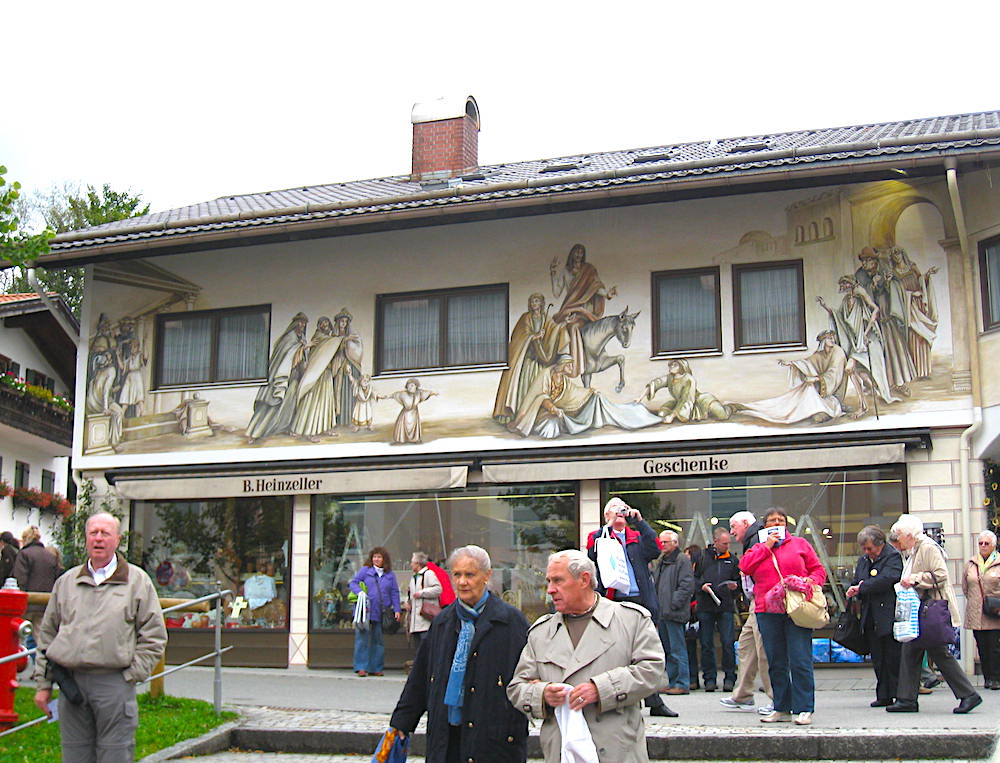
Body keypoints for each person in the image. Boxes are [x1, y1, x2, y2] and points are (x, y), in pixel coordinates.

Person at [508, 549, 666, 762]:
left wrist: (601, 690)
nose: (550, 590)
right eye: (549, 581)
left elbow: (653, 671)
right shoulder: (541, 632)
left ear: (583, 580)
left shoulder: (631, 620)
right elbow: (517, 687)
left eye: (558, 581)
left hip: (617, 752)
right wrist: (543, 694)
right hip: (562, 752)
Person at [33, 512, 167, 761]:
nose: (98, 539)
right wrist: (44, 685)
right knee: (74, 756)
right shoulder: (66, 583)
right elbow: (47, 634)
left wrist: (132, 675)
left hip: (114, 684)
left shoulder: (137, 582)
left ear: (117, 540)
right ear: (86, 538)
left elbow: (154, 635)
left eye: (105, 533)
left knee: (115, 755)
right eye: (93, 533)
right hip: (71, 685)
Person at [390, 545, 528, 763]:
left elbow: (526, 678)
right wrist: (402, 722)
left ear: (487, 576)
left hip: (494, 738)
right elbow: (421, 676)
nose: (462, 582)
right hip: (447, 734)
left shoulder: (511, 621)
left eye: (470, 575)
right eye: (457, 574)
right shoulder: (443, 622)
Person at [585, 497, 675, 717]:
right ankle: (616, 696)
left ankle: (654, 701)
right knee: (615, 651)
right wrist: (608, 528)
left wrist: (640, 522)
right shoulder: (599, 536)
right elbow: (592, 556)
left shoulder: (636, 536)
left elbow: (654, 550)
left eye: (622, 510)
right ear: (606, 515)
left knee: (645, 651)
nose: (620, 514)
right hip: (614, 600)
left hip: (640, 598)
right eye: (615, 510)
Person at [886, 514, 982, 714]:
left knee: (938, 652)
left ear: (909, 534)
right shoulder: (916, 549)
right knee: (911, 649)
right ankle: (907, 698)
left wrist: (915, 579)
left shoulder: (927, 548)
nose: (898, 539)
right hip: (922, 610)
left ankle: (968, 695)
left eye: (900, 535)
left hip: (929, 608)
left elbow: (941, 575)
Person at [739, 508, 825, 725]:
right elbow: (745, 567)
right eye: (771, 521)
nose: (776, 523)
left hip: (796, 608)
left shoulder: (800, 545)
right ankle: (781, 706)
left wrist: (809, 584)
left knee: (800, 658)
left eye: (781, 520)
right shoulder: (757, 548)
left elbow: (818, 570)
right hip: (767, 610)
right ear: (764, 526)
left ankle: (804, 707)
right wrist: (766, 547)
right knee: (775, 661)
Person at [509, 354, 662, 439]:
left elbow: (573, 391)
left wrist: (589, 392)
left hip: (558, 411)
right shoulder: (546, 375)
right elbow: (541, 397)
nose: (571, 368)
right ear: (562, 365)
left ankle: (619, 416)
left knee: (596, 398)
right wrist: (553, 409)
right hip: (540, 414)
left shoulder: (563, 379)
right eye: (569, 365)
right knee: (551, 429)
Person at [733, 330, 849, 424]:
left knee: (812, 399)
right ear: (823, 341)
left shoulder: (838, 353)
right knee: (799, 394)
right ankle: (751, 408)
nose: (832, 340)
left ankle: (817, 412)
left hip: (831, 395)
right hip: (820, 392)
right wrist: (792, 364)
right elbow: (807, 363)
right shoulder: (819, 354)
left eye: (833, 337)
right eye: (829, 338)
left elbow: (834, 374)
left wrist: (815, 379)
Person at [721, 511, 773, 714]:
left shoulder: (758, 538)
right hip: (756, 600)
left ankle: (777, 698)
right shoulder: (755, 538)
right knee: (747, 646)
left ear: (745, 523)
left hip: (762, 599)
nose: (732, 532)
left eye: (734, 527)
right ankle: (742, 694)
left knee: (763, 651)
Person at [845, 525, 902, 706]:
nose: (868, 552)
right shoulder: (864, 560)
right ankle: (883, 694)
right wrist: (855, 589)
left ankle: (898, 693)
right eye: (865, 549)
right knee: (877, 657)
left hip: (887, 613)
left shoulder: (892, 557)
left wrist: (863, 586)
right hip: (869, 614)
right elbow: (858, 579)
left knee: (892, 656)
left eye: (870, 548)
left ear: (880, 544)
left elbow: (887, 579)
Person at [493, 292, 563, 424]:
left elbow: (554, 329)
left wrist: (562, 325)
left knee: (539, 387)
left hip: (540, 358)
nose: (534, 304)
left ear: (541, 303)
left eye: (537, 301)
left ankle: (537, 414)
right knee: (525, 386)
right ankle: (522, 414)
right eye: (532, 301)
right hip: (528, 359)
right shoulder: (526, 318)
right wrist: (533, 336)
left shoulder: (546, 318)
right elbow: (520, 336)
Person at [246, 311, 308, 443]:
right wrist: (302, 348)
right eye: (300, 322)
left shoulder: (301, 338)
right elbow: (286, 355)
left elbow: (302, 358)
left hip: (293, 378)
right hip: (281, 377)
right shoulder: (289, 338)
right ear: (295, 323)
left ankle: (284, 427)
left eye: (304, 323)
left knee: (290, 403)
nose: (302, 325)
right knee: (271, 406)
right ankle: (255, 433)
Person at [695, 527, 740, 693]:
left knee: (728, 643)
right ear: (715, 542)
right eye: (724, 543)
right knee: (706, 643)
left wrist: (735, 587)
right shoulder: (701, 557)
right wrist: (701, 586)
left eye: (729, 543)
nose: (727, 546)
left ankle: (729, 677)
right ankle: (709, 679)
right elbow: (692, 579)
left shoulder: (733, 561)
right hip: (706, 605)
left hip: (726, 605)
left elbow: (739, 582)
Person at [653, 530, 694, 695]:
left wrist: (673, 604)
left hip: (674, 612)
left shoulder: (681, 560)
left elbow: (686, 585)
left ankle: (682, 683)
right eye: (661, 542)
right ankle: (672, 681)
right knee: (667, 650)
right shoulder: (662, 561)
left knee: (678, 649)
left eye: (665, 542)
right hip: (663, 612)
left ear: (675, 543)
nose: (662, 545)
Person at [349, 547, 401, 677]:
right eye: (374, 557)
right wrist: (360, 592)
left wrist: (397, 609)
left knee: (378, 640)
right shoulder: (365, 571)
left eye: (379, 557)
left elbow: (394, 592)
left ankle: (376, 667)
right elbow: (353, 583)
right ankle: (361, 667)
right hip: (365, 611)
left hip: (381, 612)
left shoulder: (390, 575)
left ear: (384, 560)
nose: (376, 559)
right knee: (362, 639)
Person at [962, 530, 1000, 690]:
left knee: (995, 647)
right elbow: (966, 587)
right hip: (976, 612)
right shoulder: (971, 564)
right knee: (982, 646)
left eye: (987, 543)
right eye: (980, 543)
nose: (983, 546)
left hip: (994, 611)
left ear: (994, 545)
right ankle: (987, 677)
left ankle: (996, 678)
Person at [639, 359, 731, 423]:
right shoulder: (670, 377)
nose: (671, 367)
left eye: (675, 365)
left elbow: (686, 399)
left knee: (722, 415)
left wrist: (671, 416)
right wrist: (640, 397)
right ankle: (676, 413)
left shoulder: (689, 379)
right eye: (671, 365)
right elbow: (656, 383)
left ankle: (731, 407)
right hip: (679, 402)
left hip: (699, 401)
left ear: (682, 366)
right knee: (662, 413)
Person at [405, 551, 442, 652]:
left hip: (426, 618)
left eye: (412, 562)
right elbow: (411, 594)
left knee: (426, 646)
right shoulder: (414, 577)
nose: (411, 564)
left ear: (418, 563)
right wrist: (408, 602)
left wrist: (422, 593)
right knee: (418, 648)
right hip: (415, 621)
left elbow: (438, 589)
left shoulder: (428, 574)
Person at [389, 378, 438, 443]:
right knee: (404, 426)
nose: (410, 387)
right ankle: (403, 439)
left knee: (414, 427)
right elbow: (392, 395)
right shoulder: (402, 394)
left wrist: (434, 393)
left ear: (416, 386)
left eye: (412, 385)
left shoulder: (419, 393)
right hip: (405, 414)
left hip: (414, 413)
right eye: (408, 385)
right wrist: (381, 397)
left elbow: (428, 393)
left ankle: (415, 439)